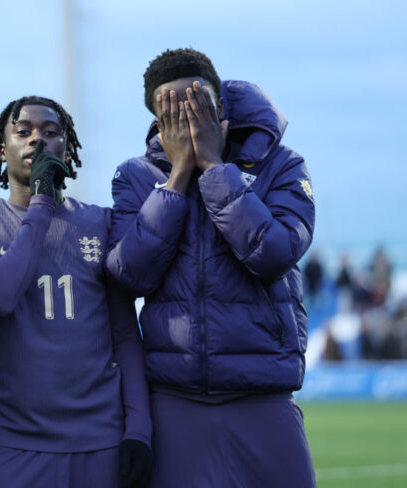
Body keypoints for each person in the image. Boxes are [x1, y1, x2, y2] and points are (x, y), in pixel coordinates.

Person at [106, 48, 316, 487]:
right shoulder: (135, 176)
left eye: (197, 103)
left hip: (264, 395)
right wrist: (178, 176)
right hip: (173, 397)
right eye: (172, 112)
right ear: (157, 122)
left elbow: (275, 254)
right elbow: (129, 275)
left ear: (220, 106)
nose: (187, 119)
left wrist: (215, 170)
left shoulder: (282, 165)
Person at [0, 96, 152, 488]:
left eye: (51, 132)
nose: (37, 141)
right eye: (23, 132)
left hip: (100, 441)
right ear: (1, 148)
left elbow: (125, 335)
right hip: (11, 441)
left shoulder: (101, 223)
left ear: (68, 147)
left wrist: (138, 430)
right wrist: (41, 203)